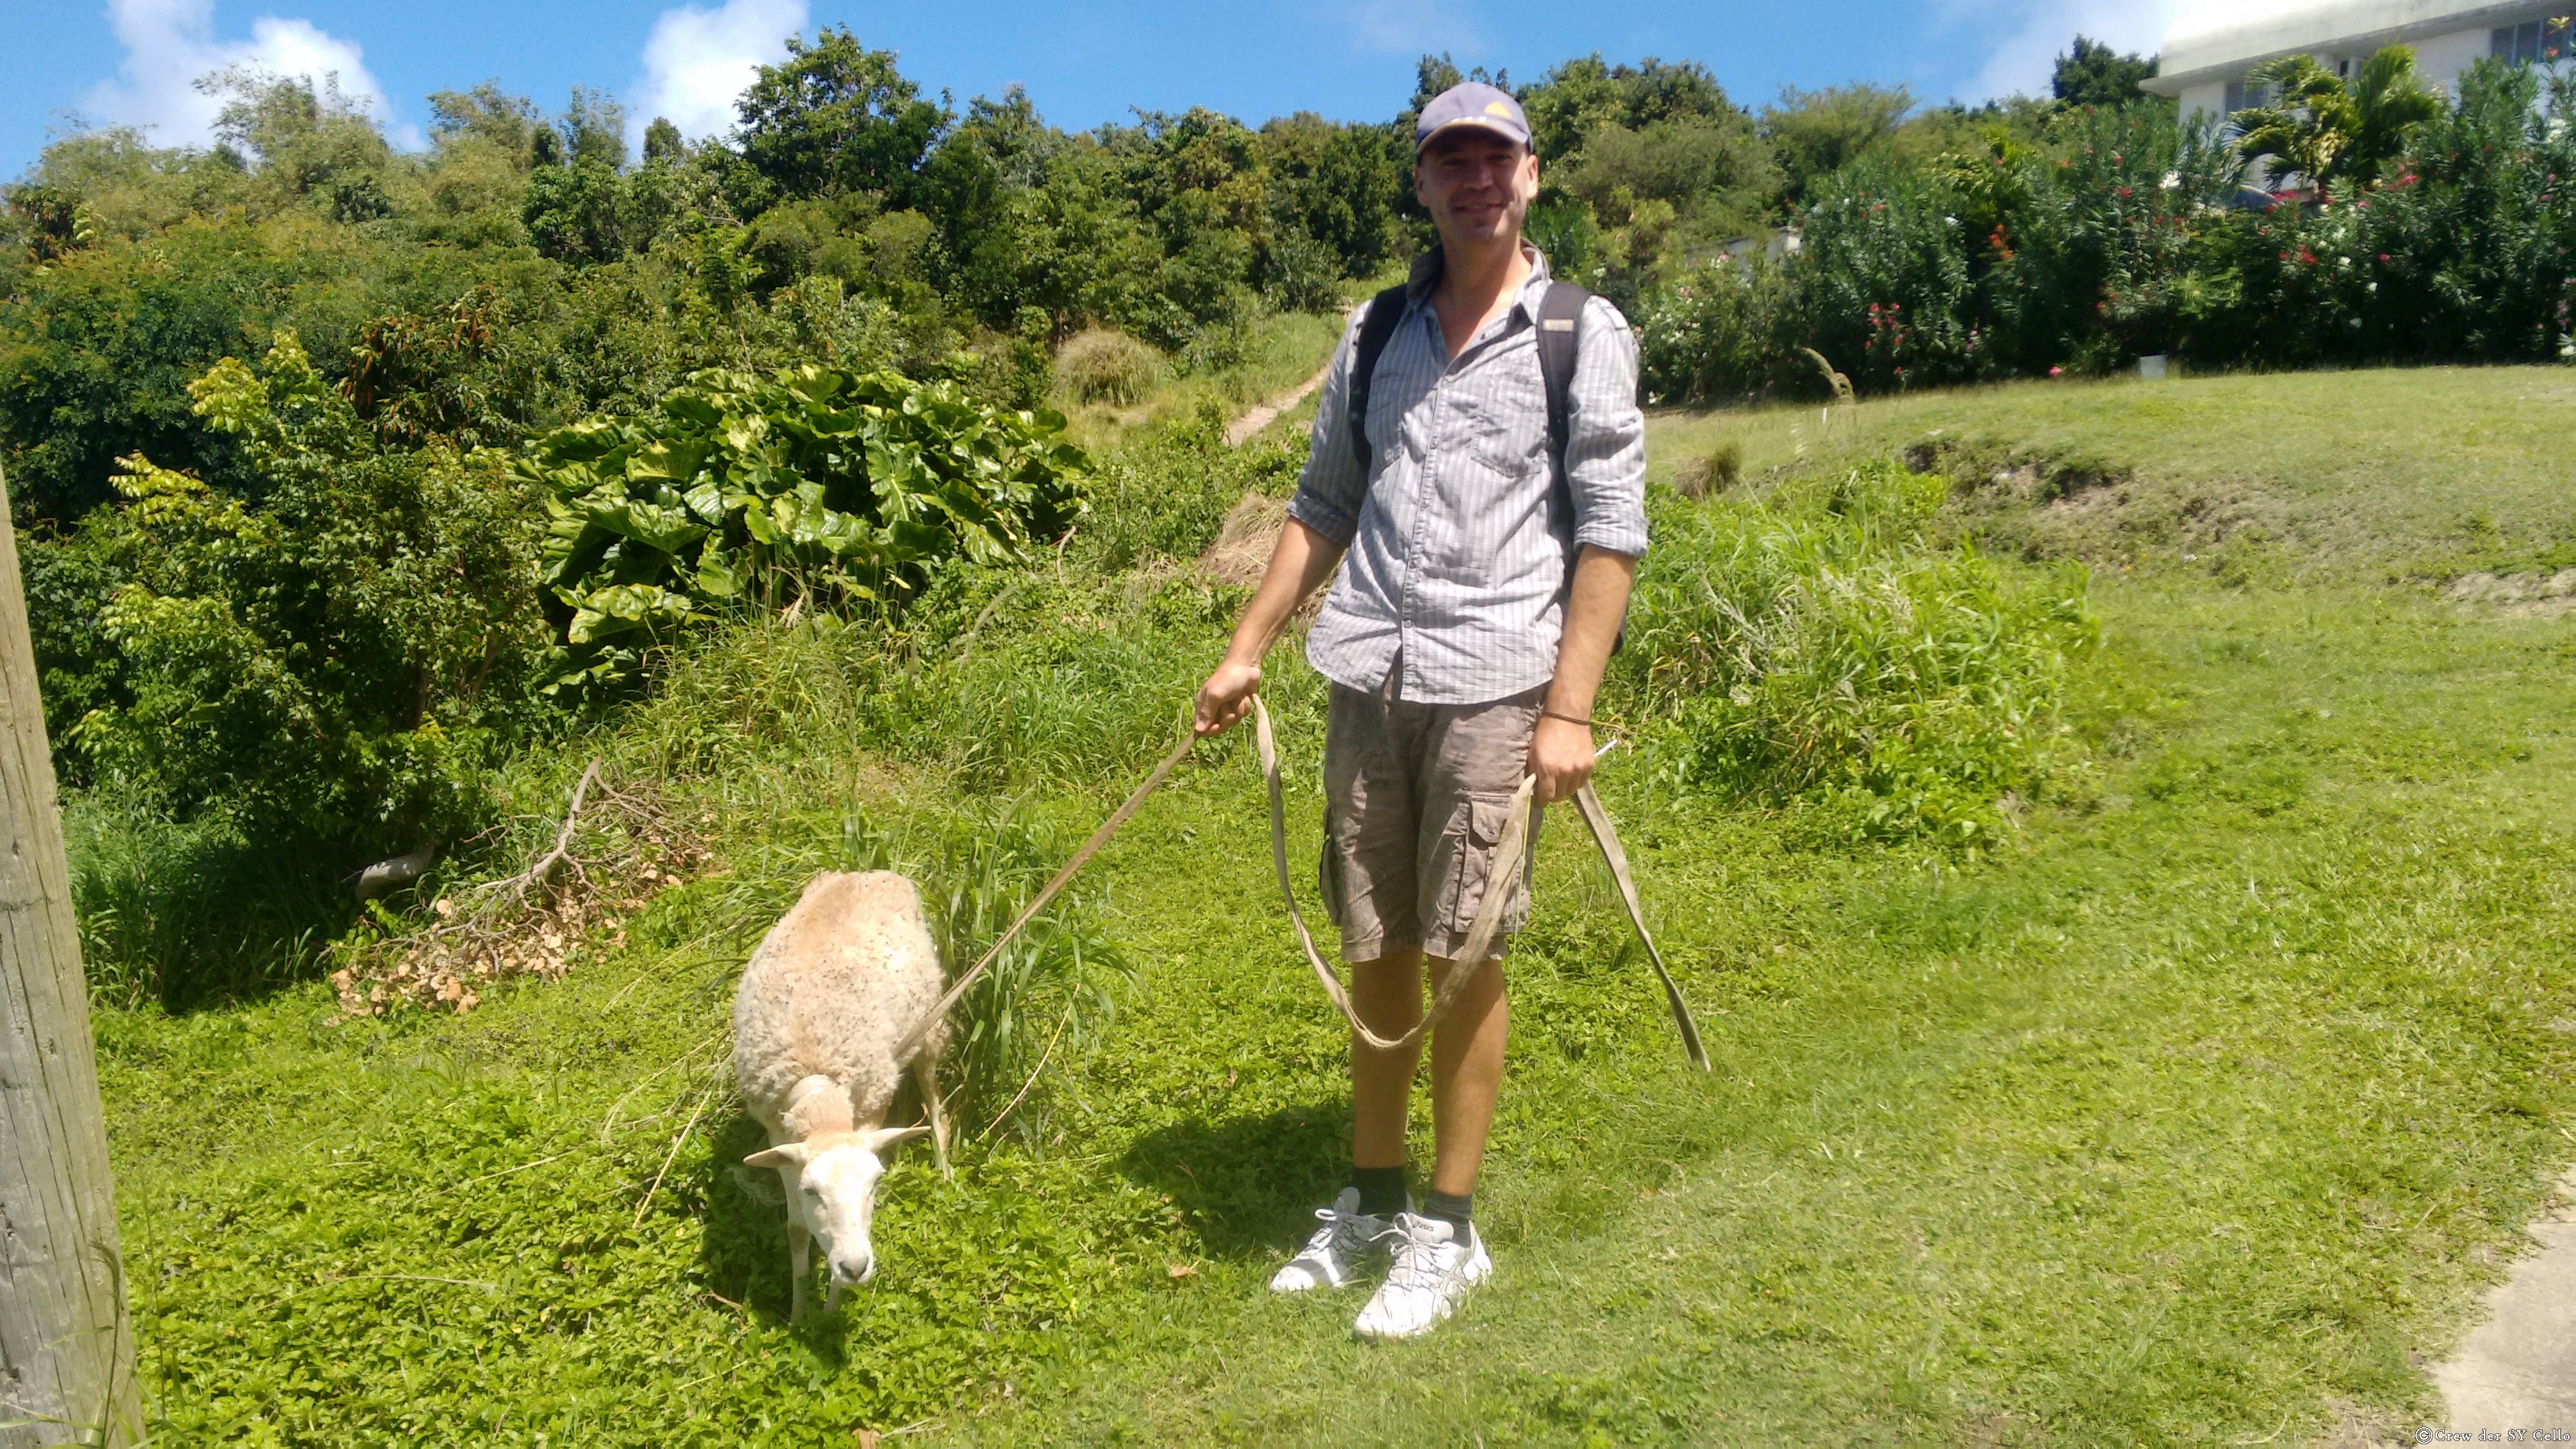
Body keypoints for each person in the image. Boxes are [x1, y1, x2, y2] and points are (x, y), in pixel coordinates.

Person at [1190, 80, 1648, 1341]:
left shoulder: (1577, 330)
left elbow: (1609, 532)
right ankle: (1374, 1197)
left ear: (1531, 176)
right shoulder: (1377, 329)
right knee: (1379, 936)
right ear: (1423, 185)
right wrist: (1245, 651)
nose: (1474, 181)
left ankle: (1448, 1229)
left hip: (1500, 682)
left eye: (1494, 159)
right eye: (1450, 162)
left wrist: (1571, 711)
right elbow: (1322, 499)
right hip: (1368, 671)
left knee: (1468, 946)